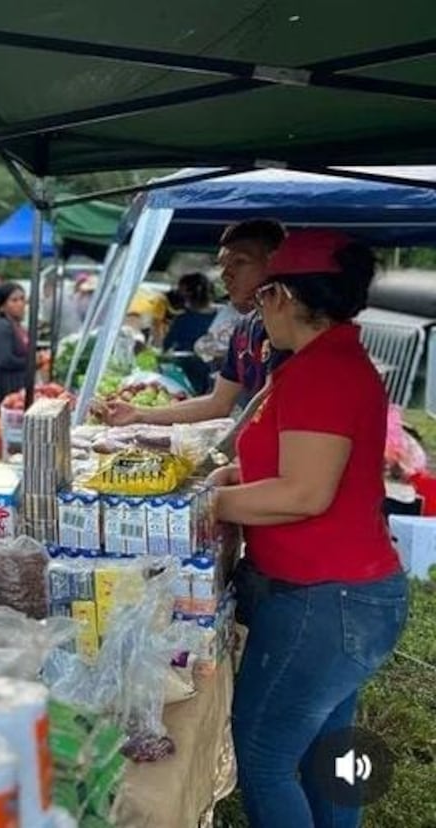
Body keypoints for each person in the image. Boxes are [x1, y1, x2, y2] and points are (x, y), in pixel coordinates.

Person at [208, 230, 407, 828]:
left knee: (266, 757)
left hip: (327, 597)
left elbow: (304, 493)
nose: (257, 306)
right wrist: (232, 477)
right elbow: (298, 467)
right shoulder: (320, 363)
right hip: (341, 592)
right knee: (331, 752)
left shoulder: (325, 371)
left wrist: (208, 505)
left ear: (286, 295)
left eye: (264, 292)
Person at [100, 218, 286, 426]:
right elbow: (218, 403)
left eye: (240, 262)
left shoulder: (293, 332)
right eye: (223, 265)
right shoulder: (244, 330)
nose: (226, 275)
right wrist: (138, 413)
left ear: (275, 261)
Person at [163, 272, 218, 394]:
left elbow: (166, 347)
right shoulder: (223, 316)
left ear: (186, 296)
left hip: (185, 379)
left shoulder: (183, 319)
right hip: (216, 380)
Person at [0, 282, 30, 405]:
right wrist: (31, 362)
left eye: (22, 299)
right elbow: (4, 360)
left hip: (15, 384)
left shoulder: (15, 324)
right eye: (14, 300)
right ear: (2, 306)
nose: (20, 304)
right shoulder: (3, 326)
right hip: (7, 387)